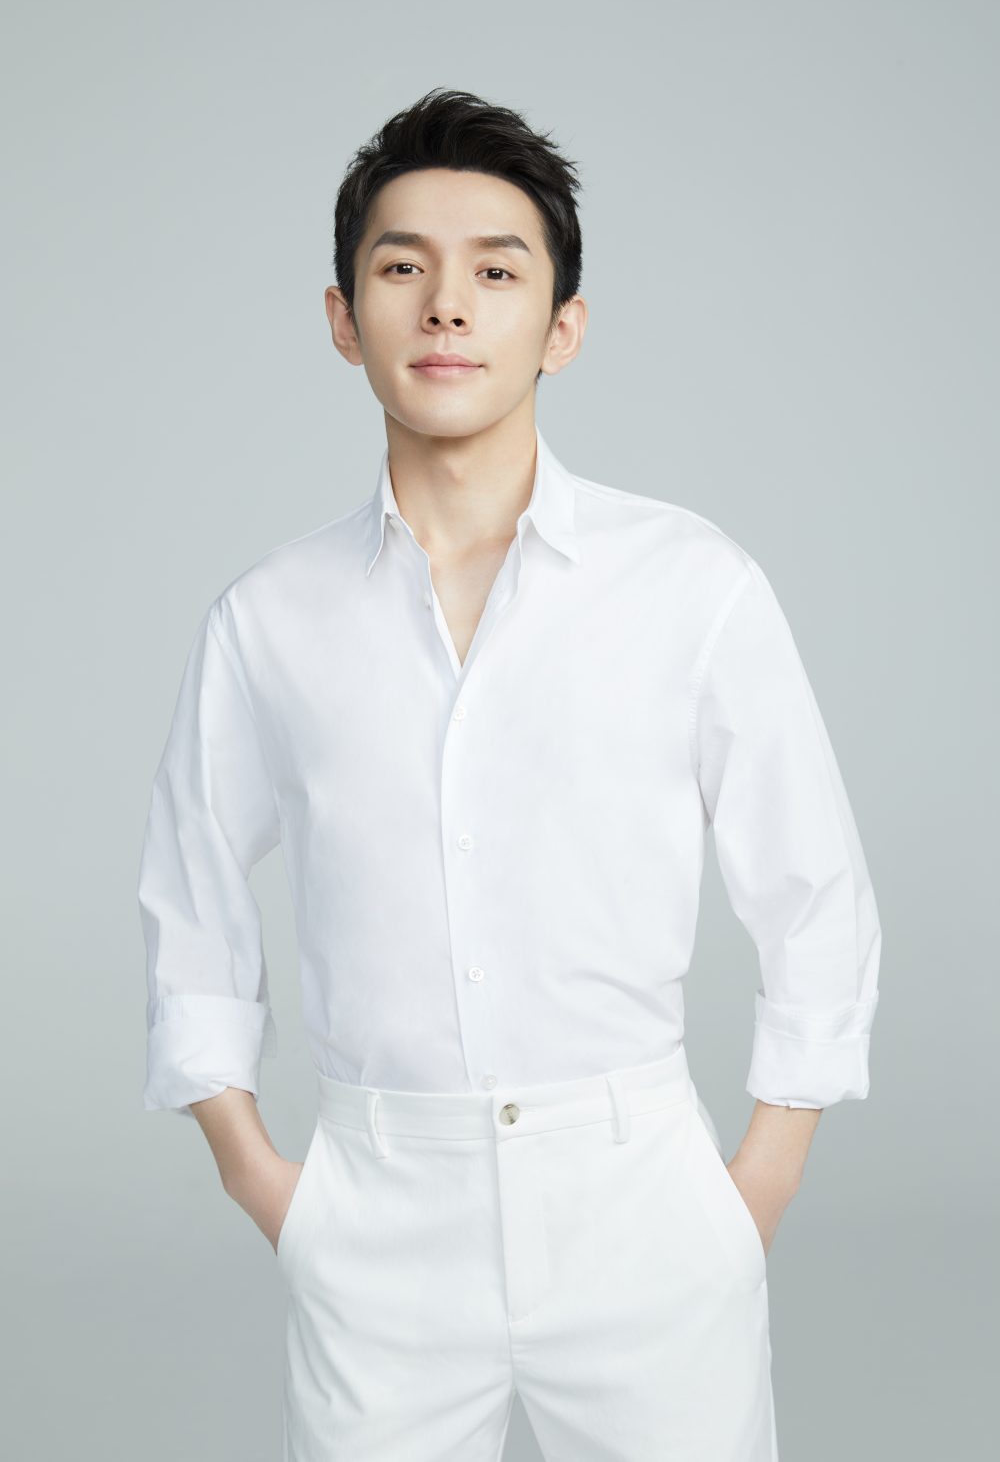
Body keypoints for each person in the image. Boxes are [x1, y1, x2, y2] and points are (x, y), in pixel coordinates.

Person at [138, 86, 882, 1461]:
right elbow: (189, 903)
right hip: (377, 1212)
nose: (446, 307)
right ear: (343, 318)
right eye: (401, 268)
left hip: (642, 1199)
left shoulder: (692, 586)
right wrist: (262, 1179)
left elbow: (815, 891)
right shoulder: (269, 620)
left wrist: (755, 1190)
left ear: (563, 326)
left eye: (496, 271)